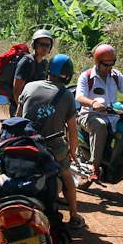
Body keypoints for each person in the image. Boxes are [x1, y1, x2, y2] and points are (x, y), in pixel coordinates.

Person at [17, 54, 85, 229]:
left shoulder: (29, 87)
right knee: (67, 175)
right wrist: (72, 152)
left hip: (28, 143)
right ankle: (74, 216)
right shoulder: (68, 96)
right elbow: (72, 130)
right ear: (68, 75)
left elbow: (18, 119)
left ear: (48, 71)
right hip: (54, 146)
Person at [74, 44, 123, 183]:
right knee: (101, 125)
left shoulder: (116, 75)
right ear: (97, 62)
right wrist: (93, 103)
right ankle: (94, 167)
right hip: (89, 115)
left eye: (111, 64)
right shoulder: (87, 77)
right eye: (105, 64)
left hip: (113, 115)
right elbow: (79, 97)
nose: (108, 67)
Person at [9, 29, 53, 117]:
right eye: (42, 44)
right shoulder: (26, 62)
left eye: (48, 45)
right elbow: (17, 89)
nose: (45, 48)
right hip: (21, 107)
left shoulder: (45, 63)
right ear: (34, 45)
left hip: (35, 107)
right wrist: (21, 109)